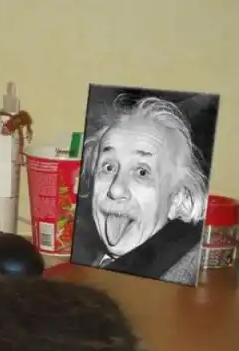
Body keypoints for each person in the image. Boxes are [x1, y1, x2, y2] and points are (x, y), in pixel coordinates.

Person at [76, 95, 208, 286]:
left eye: (142, 172)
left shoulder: (185, 276)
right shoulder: (89, 256)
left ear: (177, 199)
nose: (116, 189)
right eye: (108, 167)